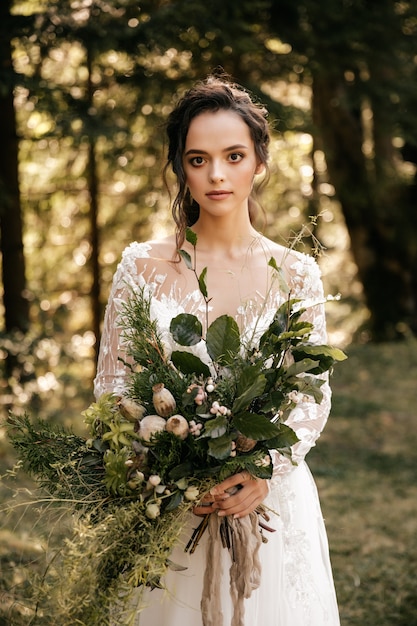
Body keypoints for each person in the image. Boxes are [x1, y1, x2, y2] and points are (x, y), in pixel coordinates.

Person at [94, 75, 340, 626]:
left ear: (259, 162)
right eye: (198, 159)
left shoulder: (296, 272)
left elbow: (311, 394)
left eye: (233, 155)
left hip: (267, 505)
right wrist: (169, 466)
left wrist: (265, 472)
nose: (217, 174)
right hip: (173, 506)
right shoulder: (141, 267)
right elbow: (114, 385)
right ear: (181, 168)